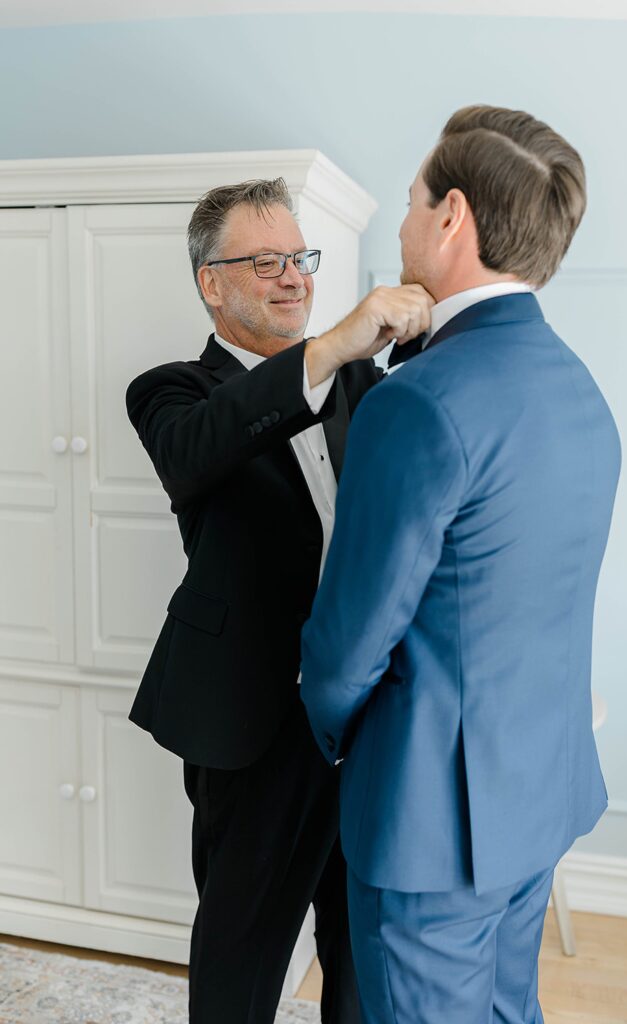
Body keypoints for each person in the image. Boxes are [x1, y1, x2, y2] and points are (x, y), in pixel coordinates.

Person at [300, 106, 621, 1024]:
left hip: (430, 824)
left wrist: (335, 736)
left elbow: (344, 645)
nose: (400, 227)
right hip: (537, 792)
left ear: (449, 217)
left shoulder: (420, 402)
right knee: (506, 1010)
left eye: (407, 203)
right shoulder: (577, 386)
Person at [125, 177, 432, 1024]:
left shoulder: (359, 385)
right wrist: (330, 346)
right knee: (243, 946)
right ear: (210, 282)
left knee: (360, 937)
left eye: (299, 257)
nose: (293, 275)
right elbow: (198, 453)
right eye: (265, 260)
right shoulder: (171, 390)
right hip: (250, 718)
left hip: (364, 709)